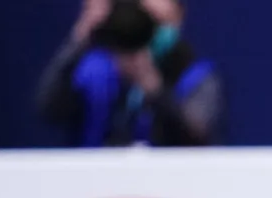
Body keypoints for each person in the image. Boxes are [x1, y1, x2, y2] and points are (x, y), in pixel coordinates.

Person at [36, 0, 224, 147]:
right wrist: (79, 40)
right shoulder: (94, 73)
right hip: (93, 184)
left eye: (158, 23)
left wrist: (155, 91)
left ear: (178, 17)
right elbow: (48, 109)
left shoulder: (196, 77)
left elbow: (199, 138)